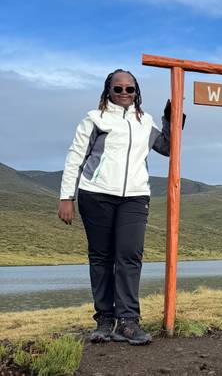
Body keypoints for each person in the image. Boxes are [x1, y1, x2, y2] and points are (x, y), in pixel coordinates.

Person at [57, 69, 180, 345]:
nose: (124, 93)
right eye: (118, 88)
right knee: (101, 258)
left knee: (130, 255)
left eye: (130, 89)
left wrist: (172, 117)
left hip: (135, 196)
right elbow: (75, 157)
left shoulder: (145, 122)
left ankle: (128, 321)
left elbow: (168, 147)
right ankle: (104, 319)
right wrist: (67, 197)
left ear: (136, 92)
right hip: (96, 194)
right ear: (108, 91)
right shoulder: (94, 119)